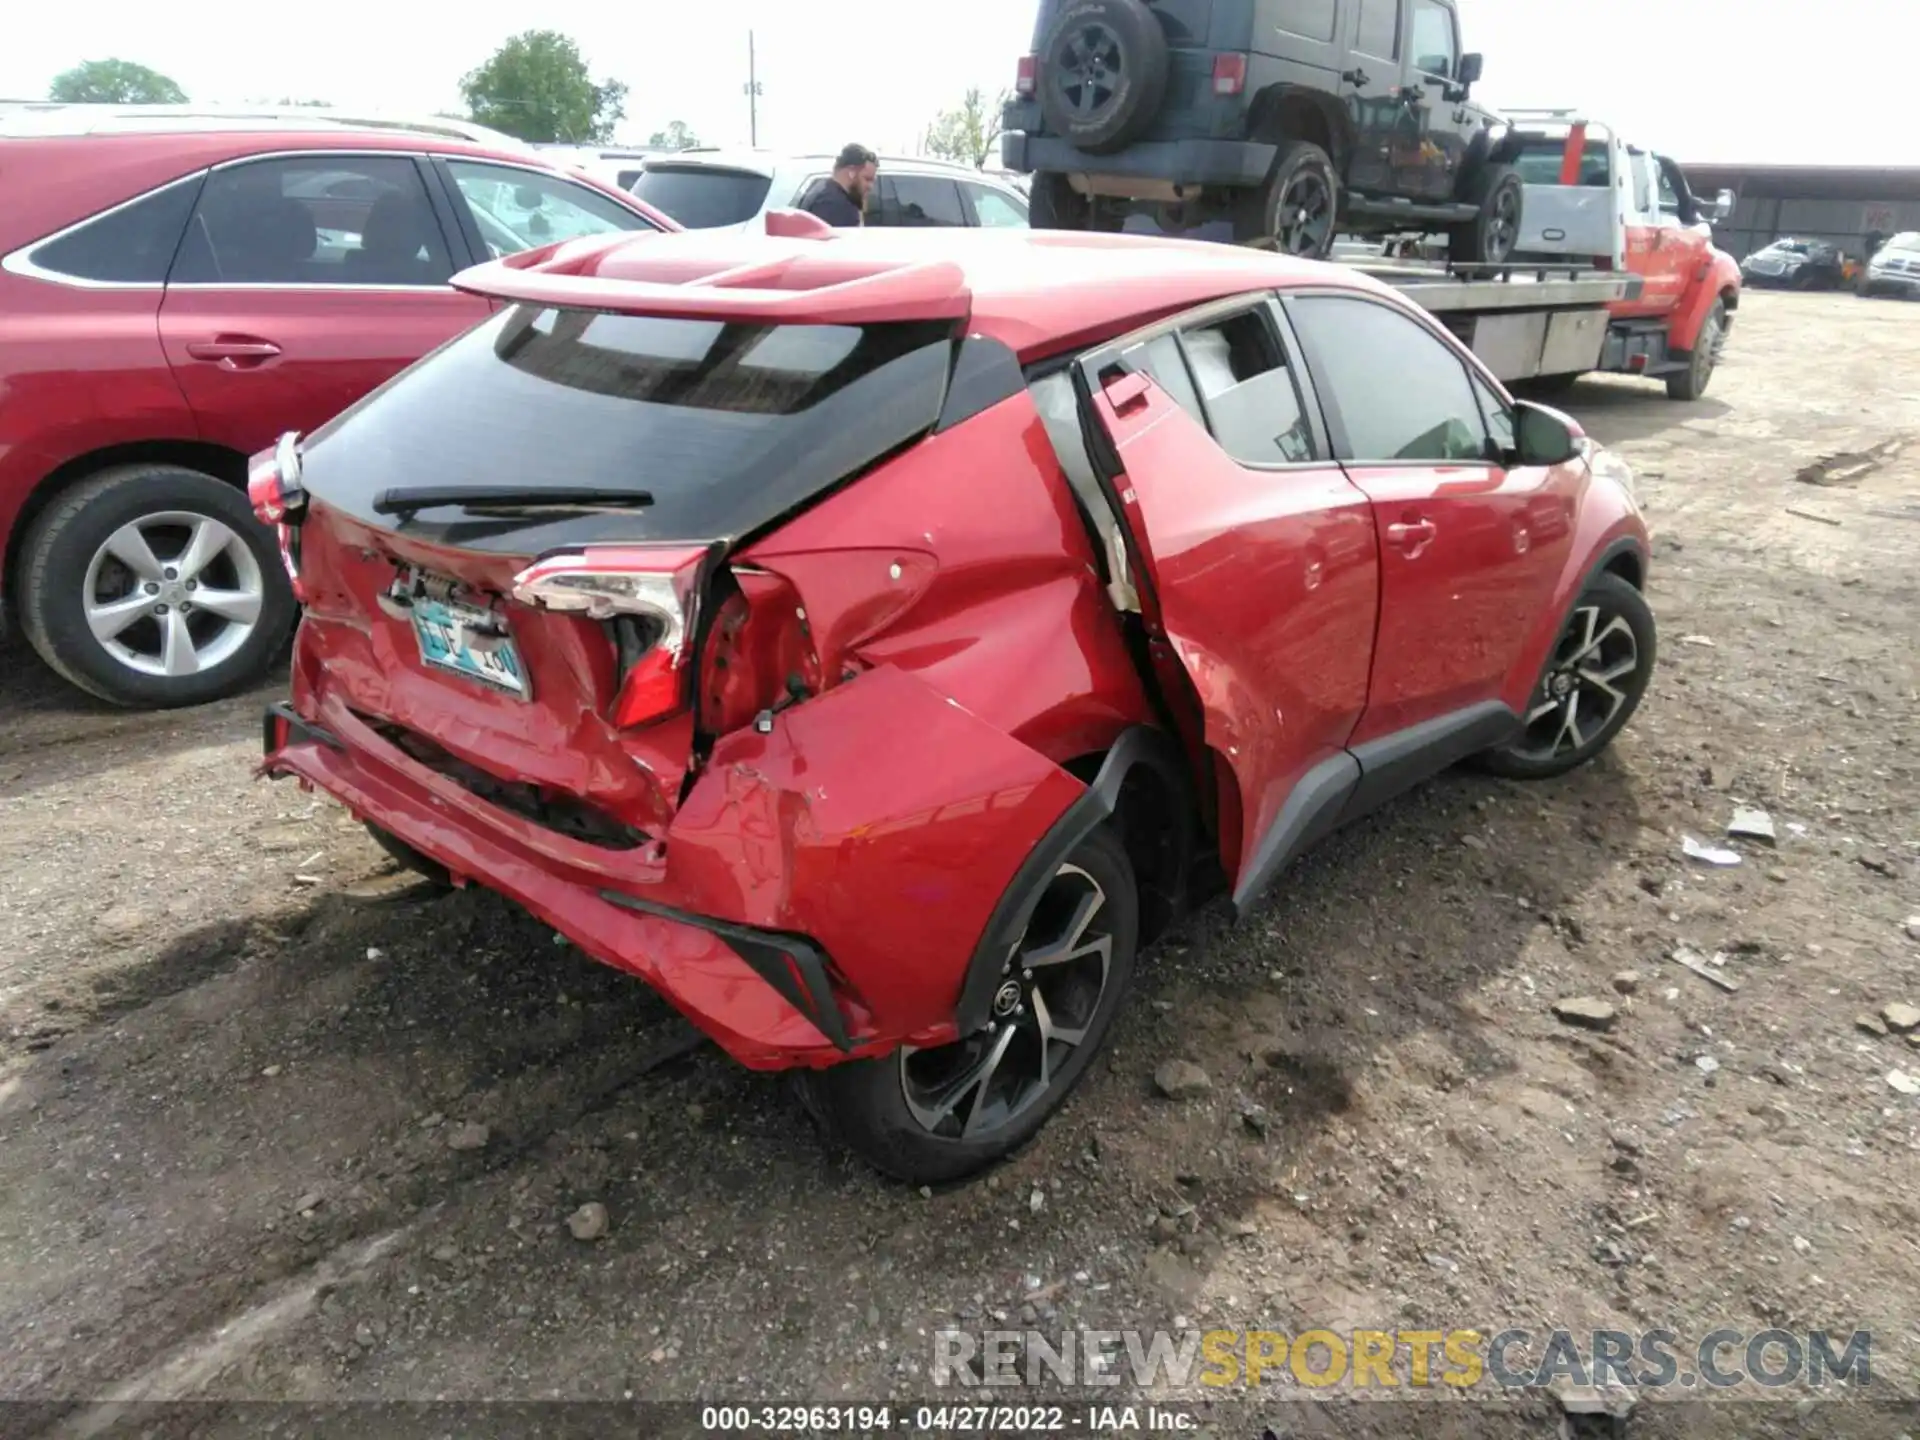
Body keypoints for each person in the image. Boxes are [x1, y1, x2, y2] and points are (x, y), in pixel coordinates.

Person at [803, 144, 877, 227]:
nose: (870, 186)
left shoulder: (820, 189)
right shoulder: (836, 205)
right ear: (851, 172)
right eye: (867, 179)